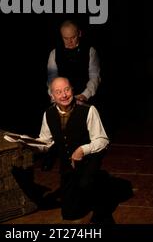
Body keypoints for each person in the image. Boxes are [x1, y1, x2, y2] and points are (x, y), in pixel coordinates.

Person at [33, 77, 115, 224]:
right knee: (69, 214)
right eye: (58, 92)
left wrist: (83, 149)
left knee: (86, 185)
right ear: (52, 96)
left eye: (66, 90)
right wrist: (31, 145)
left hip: (89, 159)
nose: (64, 95)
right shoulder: (49, 114)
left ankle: (99, 196)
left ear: (72, 90)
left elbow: (103, 140)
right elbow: (45, 141)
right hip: (68, 165)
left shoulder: (88, 110)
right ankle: (84, 191)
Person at [47, 19, 101, 104]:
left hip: (84, 98)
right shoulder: (54, 53)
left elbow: (94, 77)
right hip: (61, 100)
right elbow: (51, 78)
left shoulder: (90, 51)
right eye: (66, 38)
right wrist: (54, 96)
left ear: (79, 33)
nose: (70, 42)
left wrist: (85, 95)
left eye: (73, 37)